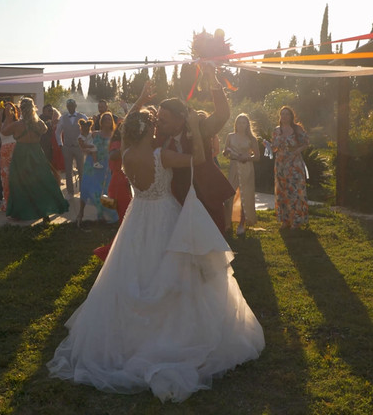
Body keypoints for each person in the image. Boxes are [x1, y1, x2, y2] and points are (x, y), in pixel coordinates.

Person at [47, 103, 264, 402]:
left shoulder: (125, 154)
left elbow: (126, 128)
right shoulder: (161, 156)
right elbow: (199, 158)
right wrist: (196, 130)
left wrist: (140, 101)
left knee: (135, 271)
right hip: (164, 216)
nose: (158, 128)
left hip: (137, 219)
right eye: (154, 125)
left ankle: (131, 338)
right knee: (176, 271)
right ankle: (178, 336)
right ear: (148, 130)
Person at [154, 70, 235, 233]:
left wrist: (212, 78)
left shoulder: (199, 128)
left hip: (206, 197)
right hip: (178, 202)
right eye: (157, 118)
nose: (158, 123)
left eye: (163, 120)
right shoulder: (160, 138)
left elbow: (222, 114)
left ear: (179, 120)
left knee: (210, 248)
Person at [1, 97, 69, 221]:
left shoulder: (17, 125)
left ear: (21, 109)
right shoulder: (39, 123)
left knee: (20, 183)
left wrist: (8, 117)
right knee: (41, 181)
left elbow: (4, 132)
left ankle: (21, 212)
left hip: (21, 154)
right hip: (36, 153)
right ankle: (44, 211)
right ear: (33, 108)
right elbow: (45, 130)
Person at [92, 122, 131, 261]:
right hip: (118, 184)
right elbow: (114, 155)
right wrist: (128, 145)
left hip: (124, 182)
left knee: (126, 220)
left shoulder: (120, 141)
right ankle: (114, 251)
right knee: (126, 219)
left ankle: (123, 248)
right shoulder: (116, 142)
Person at [76, 114, 117, 226]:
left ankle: (104, 214)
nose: (108, 121)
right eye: (106, 119)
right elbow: (83, 146)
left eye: (110, 119)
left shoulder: (114, 136)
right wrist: (88, 151)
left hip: (105, 167)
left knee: (105, 192)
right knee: (86, 188)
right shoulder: (94, 134)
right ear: (101, 122)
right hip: (91, 166)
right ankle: (81, 213)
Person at [272, 106, 309, 229]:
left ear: (291, 116)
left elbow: (306, 143)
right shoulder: (277, 130)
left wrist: (297, 151)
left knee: (294, 191)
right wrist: (270, 145)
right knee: (282, 191)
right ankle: (285, 220)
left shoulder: (297, 129)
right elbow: (274, 148)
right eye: (282, 114)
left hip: (294, 164)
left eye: (287, 114)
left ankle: (296, 220)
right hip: (281, 164)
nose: (284, 116)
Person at [224, 113, 260, 236]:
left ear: (247, 125)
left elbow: (257, 157)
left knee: (245, 195)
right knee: (229, 196)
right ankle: (227, 223)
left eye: (244, 122)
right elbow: (225, 152)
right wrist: (227, 152)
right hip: (234, 167)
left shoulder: (252, 139)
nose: (241, 125)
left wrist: (247, 157)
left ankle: (242, 224)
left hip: (246, 168)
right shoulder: (230, 136)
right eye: (239, 122)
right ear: (236, 124)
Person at [56, 98, 88, 197]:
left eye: (72, 106)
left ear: (75, 106)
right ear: (67, 107)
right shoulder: (63, 118)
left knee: (81, 170)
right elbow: (57, 132)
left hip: (79, 147)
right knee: (68, 170)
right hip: (67, 147)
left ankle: (83, 191)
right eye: (68, 106)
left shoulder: (82, 116)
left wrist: (84, 142)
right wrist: (60, 144)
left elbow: (86, 131)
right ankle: (70, 192)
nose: (70, 108)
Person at [0, 101, 19, 211]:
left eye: (10, 109)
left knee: (16, 178)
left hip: (15, 151)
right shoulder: (3, 122)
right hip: (4, 152)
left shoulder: (17, 122)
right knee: (5, 179)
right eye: (6, 109)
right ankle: (7, 203)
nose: (8, 111)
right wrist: (0, 112)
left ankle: (17, 203)